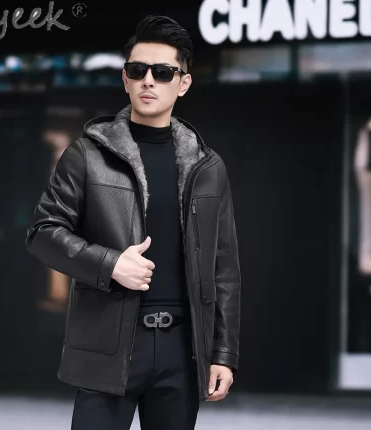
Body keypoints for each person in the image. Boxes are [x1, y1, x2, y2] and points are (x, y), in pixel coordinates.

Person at [25, 15, 241, 430]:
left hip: (182, 348)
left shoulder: (208, 167)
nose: (148, 81)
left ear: (183, 83)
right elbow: (43, 233)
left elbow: (224, 267)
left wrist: (223, 353)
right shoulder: (87, 155)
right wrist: (110, 264)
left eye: (163, 73)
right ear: (125, 79)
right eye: (137, 70)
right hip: (109, 342)